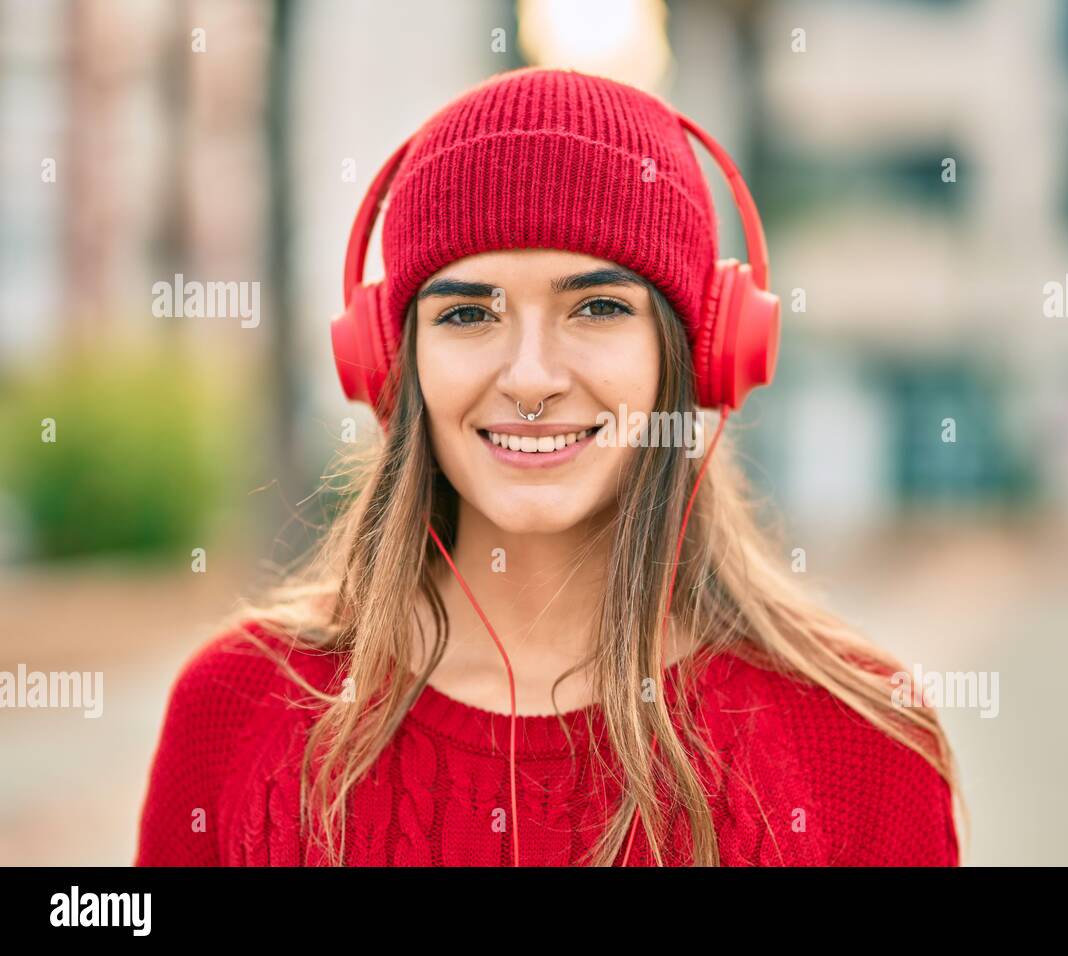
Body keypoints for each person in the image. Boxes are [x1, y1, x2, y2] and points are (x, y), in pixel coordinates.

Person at [134, 66, 964, 867]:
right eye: (467, 313)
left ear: (697, 353)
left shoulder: (863, 740)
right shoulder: (236, 709)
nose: (530, 377)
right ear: (392, 359)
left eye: (597, 307)